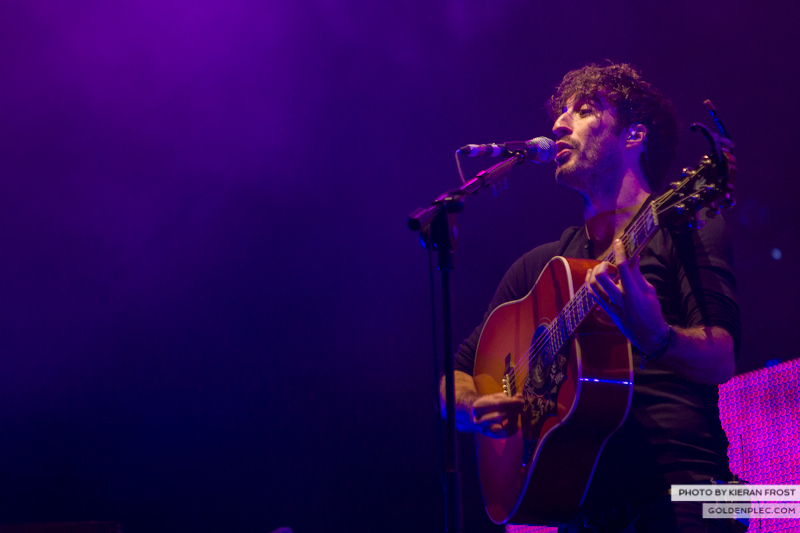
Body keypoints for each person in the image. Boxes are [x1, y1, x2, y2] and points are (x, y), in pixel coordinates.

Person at [447, 63, 741, 532]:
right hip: (577, 509)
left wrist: (658, 337)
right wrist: (471, 408)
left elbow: (723, 360)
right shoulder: (538, 268)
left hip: (690, 495)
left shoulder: (685, 225)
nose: (559, 124)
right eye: (561, 113)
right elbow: (456, 372)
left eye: (583, 111)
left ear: (634, 136)